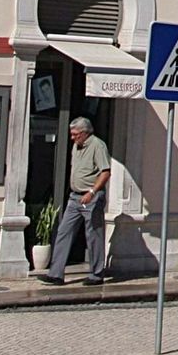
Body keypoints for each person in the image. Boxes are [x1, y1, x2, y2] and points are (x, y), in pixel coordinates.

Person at [39, 117, 111, 286]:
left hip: (91, 197)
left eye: (75, 134)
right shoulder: (76, 146)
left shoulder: (98, 146)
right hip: (75, 197)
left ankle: (96, 274)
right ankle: (56, 274)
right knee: (64, 232)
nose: (72, 138)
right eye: (72, 134)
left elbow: (105, 172)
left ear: (85, 133)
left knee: (93, 234)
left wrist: (92, 192)